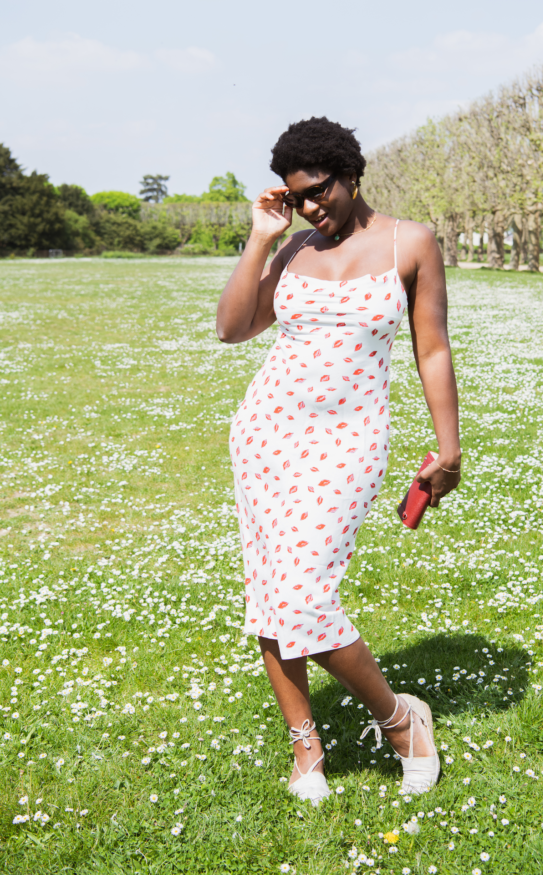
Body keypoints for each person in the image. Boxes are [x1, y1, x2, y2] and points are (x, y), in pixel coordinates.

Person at [216, 117, 461, 805]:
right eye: (297, 198)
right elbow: (232, 329)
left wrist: (449, 447)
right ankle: (306, 748)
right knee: (269, 594)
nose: (311, 206)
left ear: (351, 174)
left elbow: (431, 348)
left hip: (349, 440)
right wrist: (261, 239)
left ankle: (400, 721)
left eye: (319, 190)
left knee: (303, 593)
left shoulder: (408, 242)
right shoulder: (291, 247)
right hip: (265, 434)